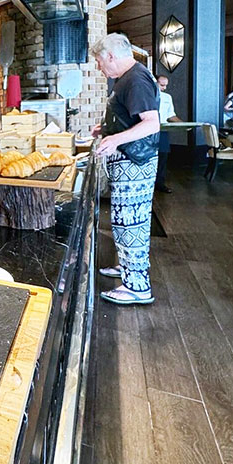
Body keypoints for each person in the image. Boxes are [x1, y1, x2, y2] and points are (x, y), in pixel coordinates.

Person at [91, 33, 161, 305]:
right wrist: (106, 128)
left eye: (99, 62)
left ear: (111, 56)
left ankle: (137, 287)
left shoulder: (136, 79)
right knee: (126, 221)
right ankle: (128, 268)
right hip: (132, 160)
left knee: (130, 223)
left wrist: (115, 139)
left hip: (135, 162)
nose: (99, 67)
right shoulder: (129, 77)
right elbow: (130, 118)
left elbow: (151, 123)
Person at [155, 74, 181, 193]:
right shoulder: (146, 96)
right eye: (162, 85)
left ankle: (160, 184)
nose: (164, 88)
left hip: (163, 130)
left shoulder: (167, 97)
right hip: (149, 130)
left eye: (166, 85)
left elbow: (171, 115)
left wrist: (183, 124)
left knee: (163, 157)